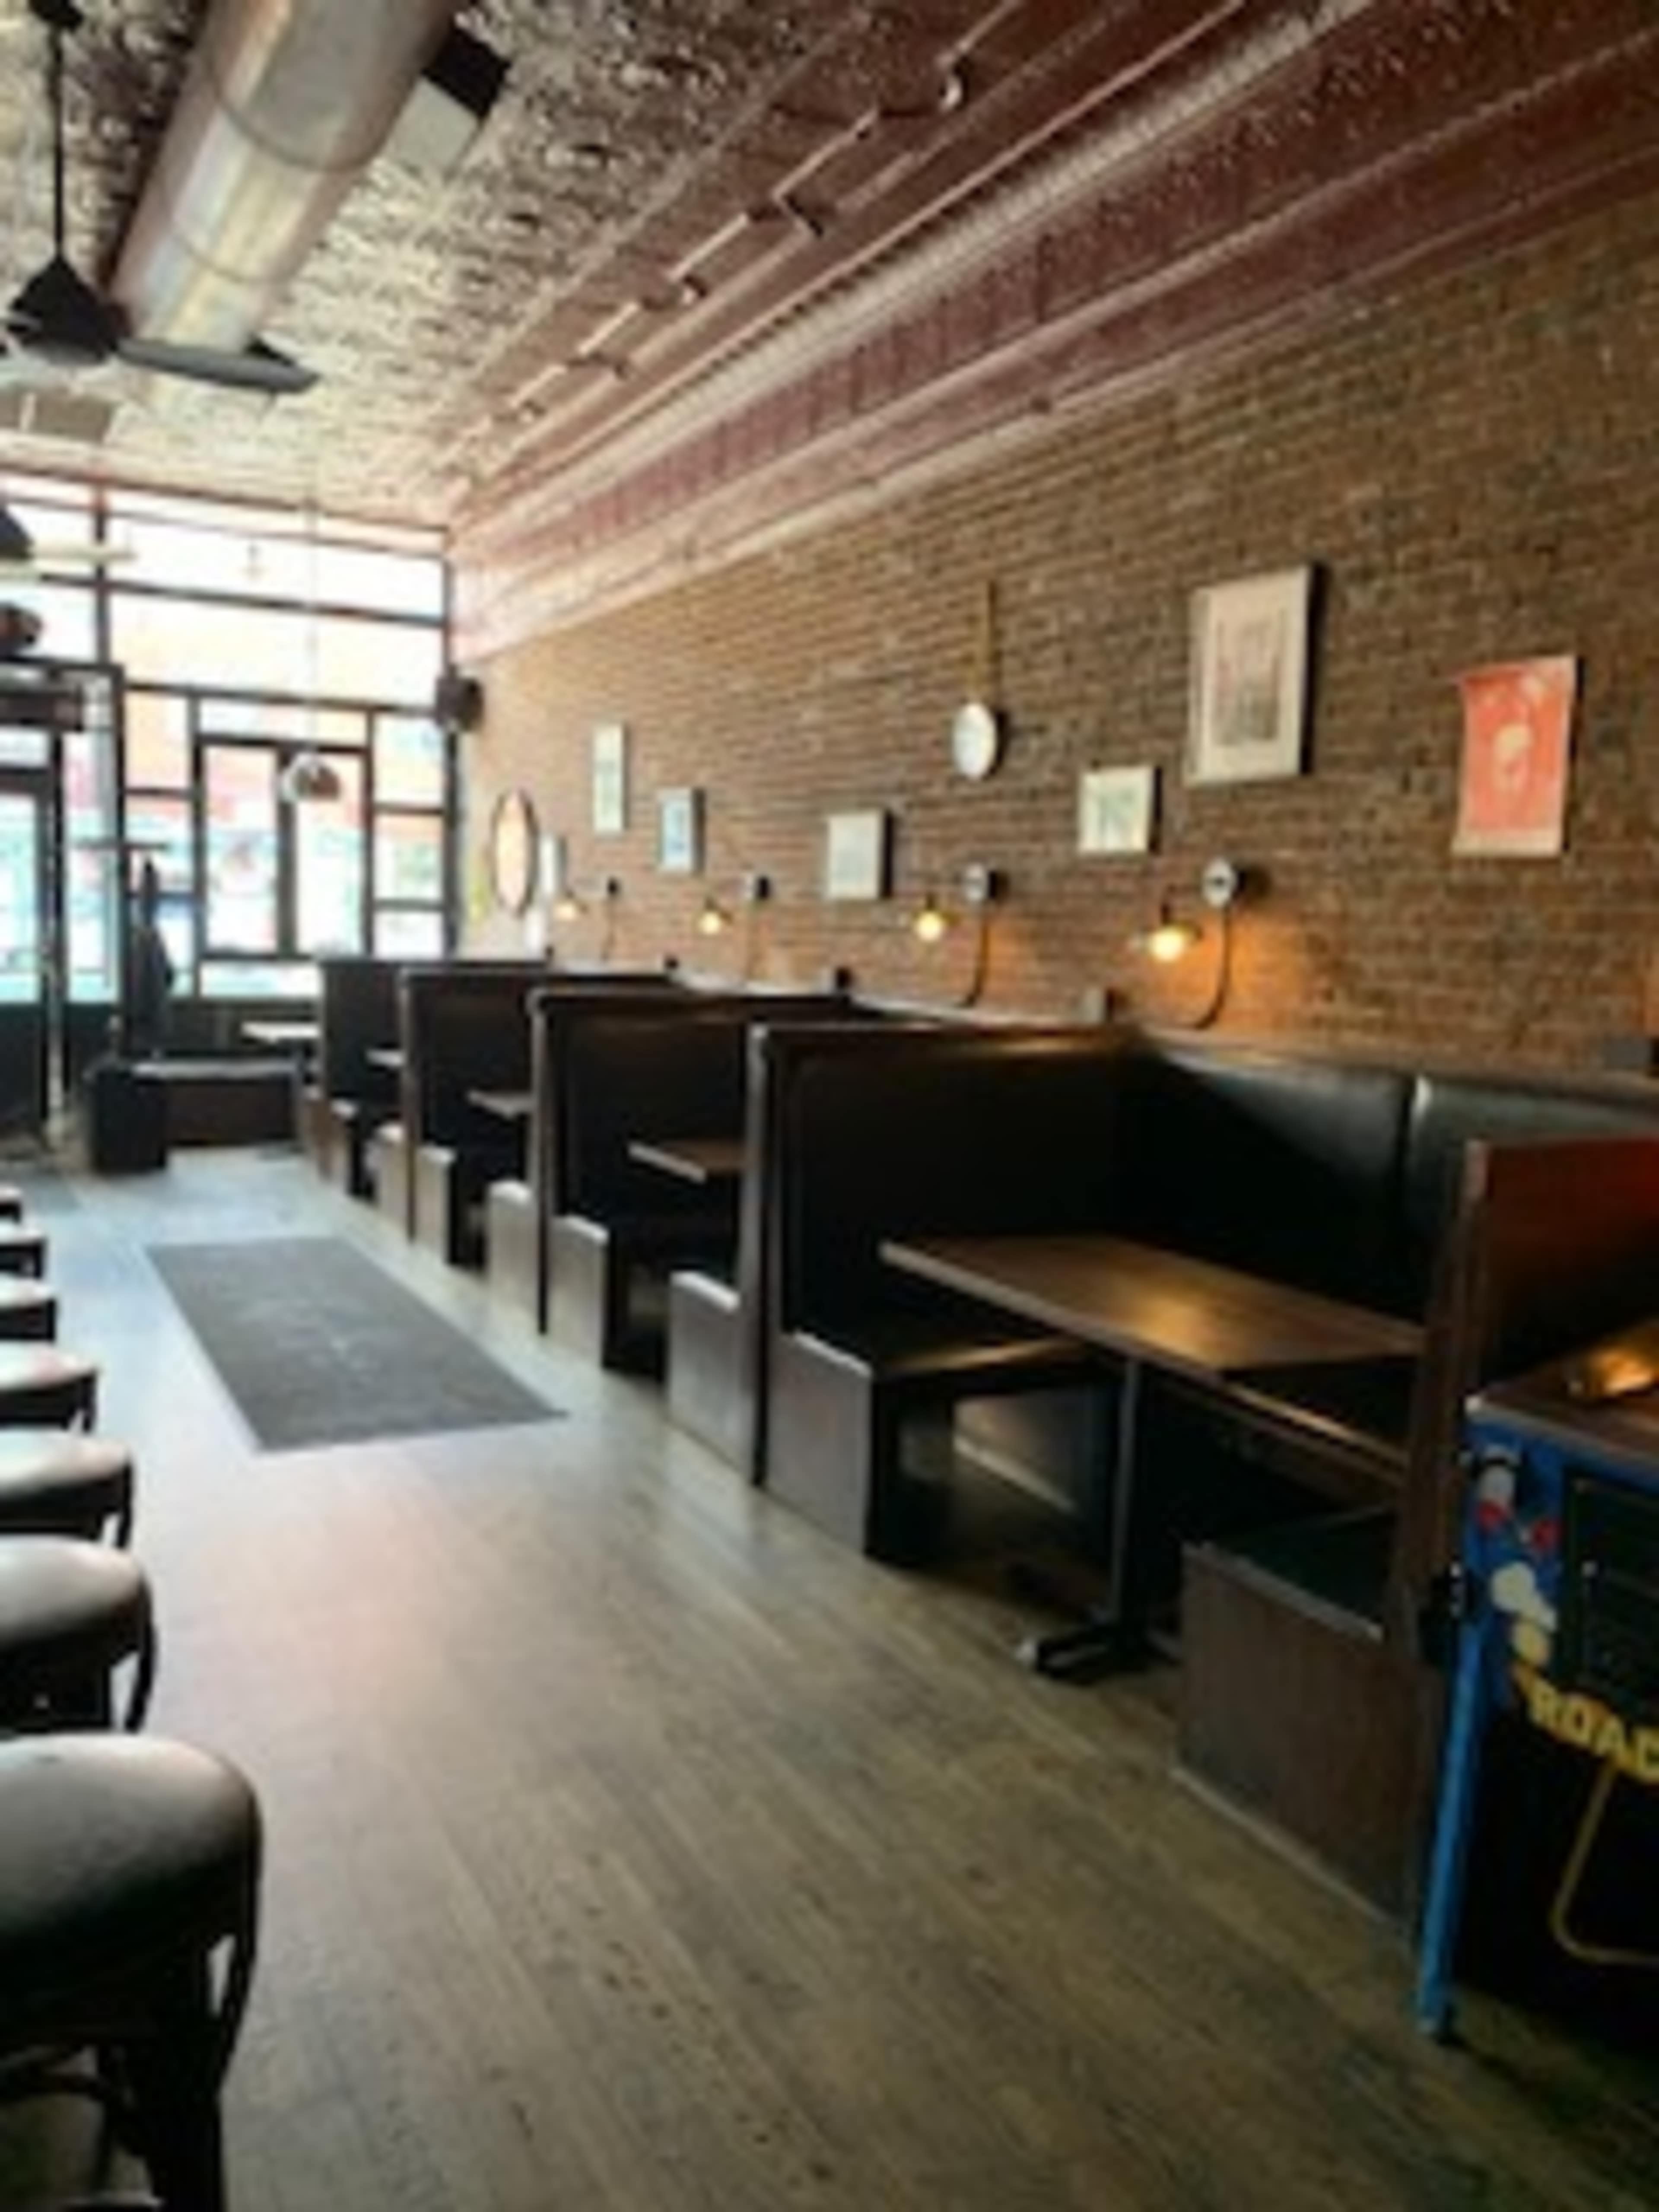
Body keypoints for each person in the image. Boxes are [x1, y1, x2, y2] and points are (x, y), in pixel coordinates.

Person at [125, 857, 173, 1058]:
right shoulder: (144, 934)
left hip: (149, 1015)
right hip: (146, 1015)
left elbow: (166, 974)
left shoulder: (148, 932)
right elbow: (165, 975)